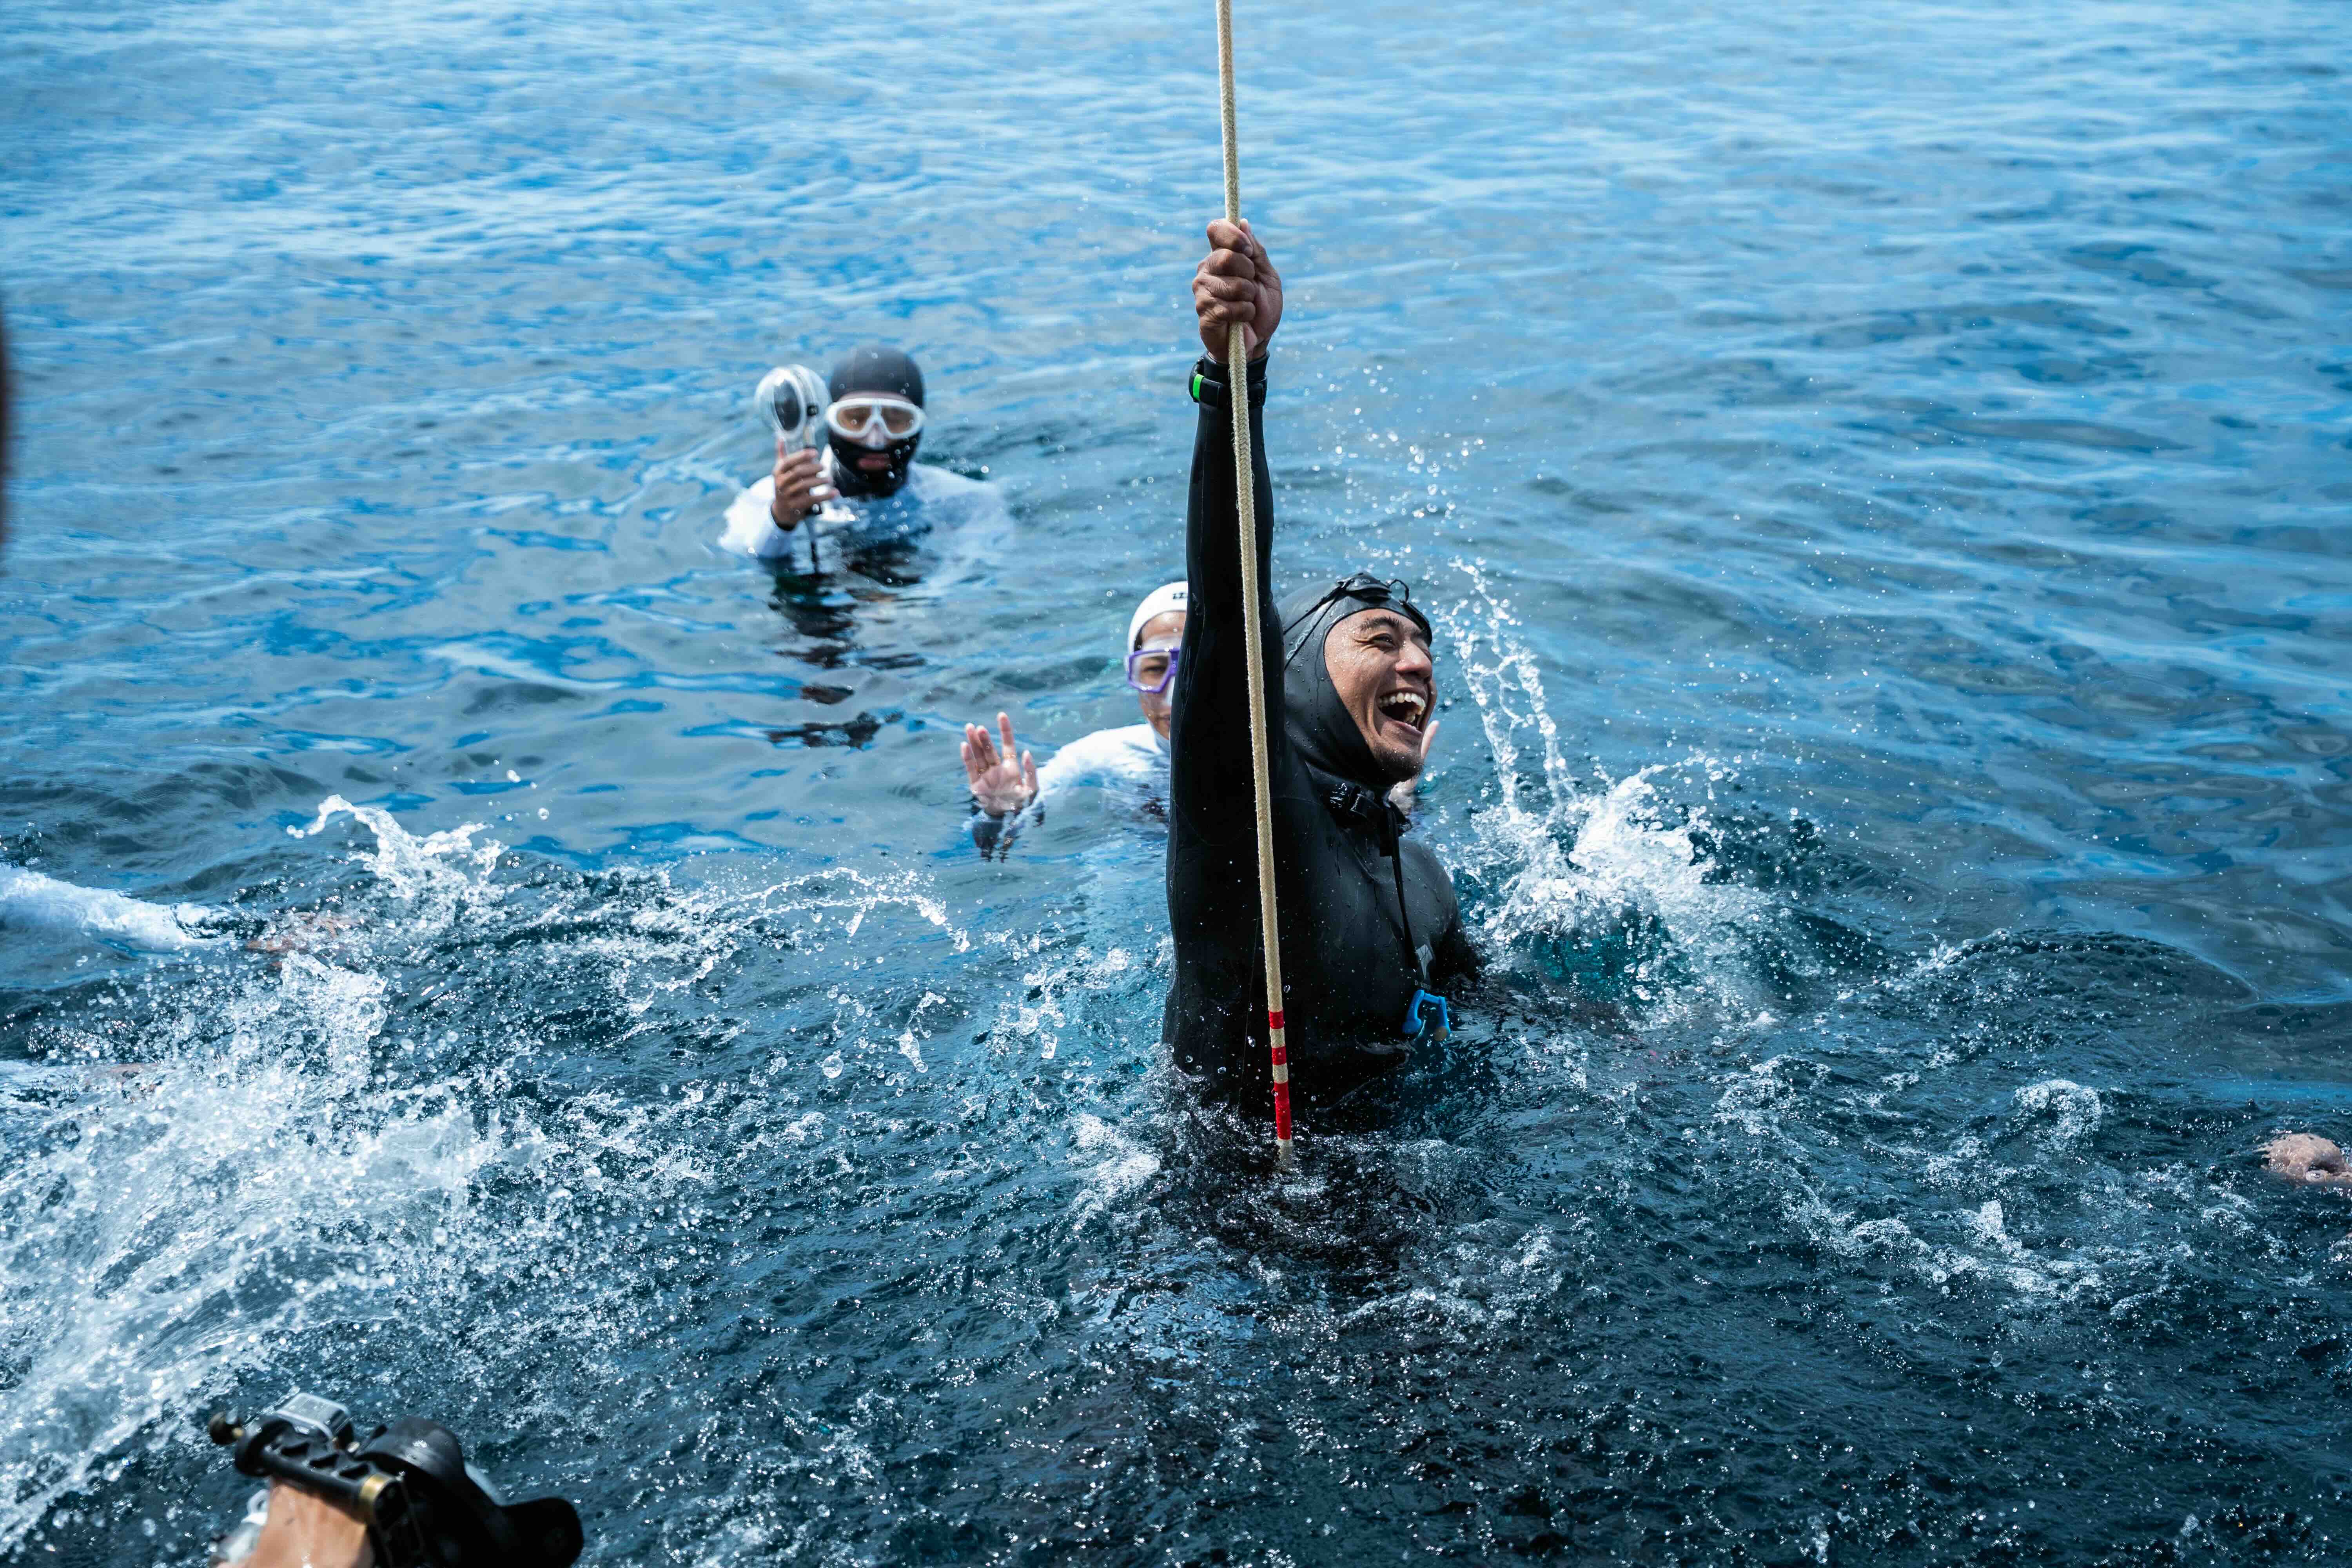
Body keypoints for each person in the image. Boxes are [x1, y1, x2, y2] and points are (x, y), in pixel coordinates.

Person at [1165, 219, 1477, 1114]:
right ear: (1289, 675)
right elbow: (1226, 597)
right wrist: (1235, 379)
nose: (1417, 660)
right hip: (1235, 1217)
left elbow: (1496, 1009)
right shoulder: (1245, 823)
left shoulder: (1416, 872)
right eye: (1380, 639)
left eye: (1424, 645)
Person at [715, 343, 1002, 574]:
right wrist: (781, 520)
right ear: (828, 420)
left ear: (920, 423)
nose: (875, 439)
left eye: (896, 421)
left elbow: (979, 570)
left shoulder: (969, 499)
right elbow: (740, 563)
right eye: (855, 419)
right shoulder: (767, 498)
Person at [959, 582, 1189, 853]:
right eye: (1155, 668)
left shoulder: (1253, 757)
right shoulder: (1099, 755)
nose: (1174, 693)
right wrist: (999, 813)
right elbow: (997, 849)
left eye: (1191, 665)